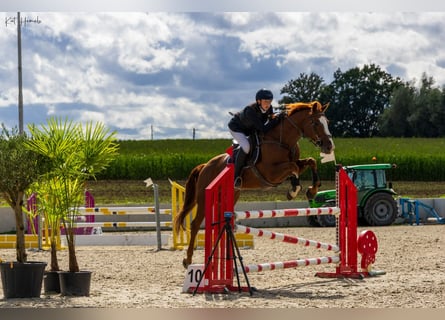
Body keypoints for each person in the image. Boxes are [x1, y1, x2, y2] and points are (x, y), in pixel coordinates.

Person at [228, 88, 284, 187]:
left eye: (270, 101)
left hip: (251, 129)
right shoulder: (250, 111)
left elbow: (271, 119)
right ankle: (235, 177)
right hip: (237, 128)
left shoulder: (268, 108)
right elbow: (263, 129)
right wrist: (276, 120)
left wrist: (278, 116)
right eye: (265, 101)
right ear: (258, 101)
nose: (268, 104)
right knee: (246, 147)